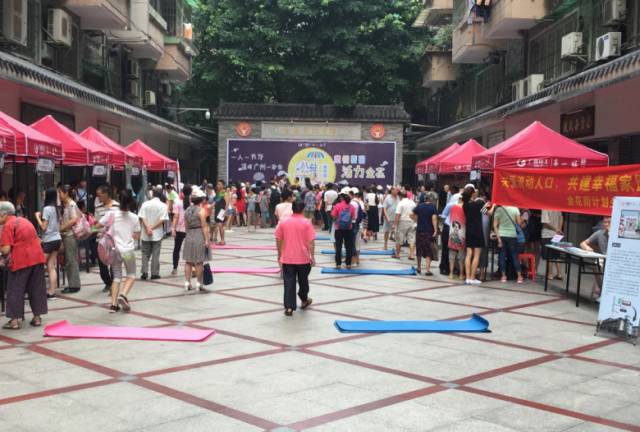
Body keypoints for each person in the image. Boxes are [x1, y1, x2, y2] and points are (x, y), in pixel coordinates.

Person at [0, 201, 47, 329]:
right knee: (36, 288)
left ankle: (14, 321)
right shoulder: (25, 221)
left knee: (15, 289)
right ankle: (37, 318)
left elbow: (5, 250)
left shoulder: (8, 225)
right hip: (37, 257)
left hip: (21, 260)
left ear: (4, 214)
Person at [96, 190, 141, 313]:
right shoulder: (134, 217)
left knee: (116, 276)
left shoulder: (111, 214)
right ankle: (123, 294)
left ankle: (114, 305)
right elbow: (137, 236)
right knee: (131, 275)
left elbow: (98, 225)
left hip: (114, 250)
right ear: (130, 202)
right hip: (127, 251)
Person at [275, 200, 316, 316]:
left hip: (288, 258)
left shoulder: (283, 222)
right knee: (303, 282)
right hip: (303, 258)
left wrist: (279, 254)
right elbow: (311, 242)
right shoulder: (307, 223)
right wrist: (312, 256)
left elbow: (279, 239)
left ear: (292, 209)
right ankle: (304, 299)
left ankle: (289, 307)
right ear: (303, 209)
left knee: (289, 282)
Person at [34, 188, 61, 299]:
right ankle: (52, 291)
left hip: (49, 240)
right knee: (51, 266)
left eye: (44, 195)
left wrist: (37, 217)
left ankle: (38, 291)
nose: (43, 197)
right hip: (57, 239)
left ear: (49, 196)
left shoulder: (46, 209)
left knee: (39, 265)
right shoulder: (56, 208)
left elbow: (43, 227)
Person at [138, 186, 169, 280]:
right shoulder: (163, 206)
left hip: (145, 233)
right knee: (156, 254)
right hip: (157, 233)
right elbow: (162, 219)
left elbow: (142, 217)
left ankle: (144, 272)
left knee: (145, 253)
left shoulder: (145, 204)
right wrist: (152, 227)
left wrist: (148, 227)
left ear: (153, 194)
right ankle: (154, 273)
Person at [182, 186, 210, 292]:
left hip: (189, 235)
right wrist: (207, 240)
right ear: (201, 200)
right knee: (199, 261)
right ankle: (199, 284)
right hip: (199, 235)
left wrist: (188, 234)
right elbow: (204, 226)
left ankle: (187, 283)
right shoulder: (201, 211)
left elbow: (186, 225)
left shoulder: (187, 210)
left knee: (188, 261)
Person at [94, 185, 118, 293]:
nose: (98, 198)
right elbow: (96, 222)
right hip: (101, 239)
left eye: (100, 195)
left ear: (107, 194)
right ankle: (107, 282)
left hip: (113, 239)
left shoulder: (117, 206)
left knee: (113, 263)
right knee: (102, 264)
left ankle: (113, 284)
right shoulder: (98, 207)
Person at [580, 217, 610, 302]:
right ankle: (603, 291)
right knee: (596, 265)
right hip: (603, 258)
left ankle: (605, 293)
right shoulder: (600, 233)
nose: (607, 224)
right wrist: (587, 248)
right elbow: (583, 243)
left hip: (615, 259)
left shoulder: (617, 235)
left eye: (609, 222)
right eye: (605, 222)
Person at [58, 185, 82, 294]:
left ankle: (74, 285)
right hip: (66, 235)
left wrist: (62, 228)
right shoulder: (66, 205)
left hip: (70, 235)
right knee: (69, 260)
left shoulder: (71, 204)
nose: (59, 195)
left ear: (66, 193)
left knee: (71, 260)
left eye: (60, 193)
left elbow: (74, 219)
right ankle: (73, 284)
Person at [493, 205, 524, 284]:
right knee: (514, 256)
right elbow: (519, 223)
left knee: (502, 256)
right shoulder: (515, 209)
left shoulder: (499, 209)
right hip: (512, 235)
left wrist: (498, 238)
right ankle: (519, 276)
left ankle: (503, 276)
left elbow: (495, 225)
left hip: (502, 235)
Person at [462, 185, 485, 284]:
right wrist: (492, 206)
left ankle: (467, 278)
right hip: (477, 231)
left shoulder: (465, 205)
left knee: (468, 254)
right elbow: (488, 212)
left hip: (469, 231)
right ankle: (472, 277)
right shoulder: (478, 204)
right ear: (472, 194)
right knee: (476, 255)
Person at [413, 193, 438, 275]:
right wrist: (435, 230)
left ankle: (419, 267)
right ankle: (427, 270)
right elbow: (434, 219)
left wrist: (416, 221)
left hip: (419, 230)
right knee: (428, 250)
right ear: (432, 199)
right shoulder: (432, 207)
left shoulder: (419, 206)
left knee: (419, 249)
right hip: (428, 231)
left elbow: (412, 214)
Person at [331, 193, 356, 269]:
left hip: (339, 228)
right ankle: (348, 264)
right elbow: (353, 218)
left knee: (338, 246)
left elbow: (333, 215)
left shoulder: (338, 205)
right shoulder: (351, 207)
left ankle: (338, 264)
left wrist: (337, 219)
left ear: (342, 199)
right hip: (348, 229)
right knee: (349, 247)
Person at [171, 185, 190, 276]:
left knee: (177, 249)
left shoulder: (177, 202)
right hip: (190, 229)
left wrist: (173, 229)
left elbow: (175, 217)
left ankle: (175, 268)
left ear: (182, 192)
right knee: (191, 249)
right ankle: (192, 267)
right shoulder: (193, 203)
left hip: (179, 229)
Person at [393, 190, 416, 260]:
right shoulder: (413, 203)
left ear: (400, 196)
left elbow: (398, 214)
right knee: (411, 239)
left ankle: (398, 254)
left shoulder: (401, 203)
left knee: (399, 239)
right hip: (412, 222)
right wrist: (415, 222)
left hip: (402, 222)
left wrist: (395, 225)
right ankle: (411, 255)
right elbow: (415, 214)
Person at [541, 210, 564, 281]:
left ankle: (550, 274)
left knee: (549, 255)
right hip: (557, 234)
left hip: (547, 234)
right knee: (556, 254)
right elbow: (561, 217)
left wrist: (555, 229)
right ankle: (559, 274)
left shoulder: (545, 208)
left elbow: (545, 222)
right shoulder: (556, 206)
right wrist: (559, 229)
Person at [448, 195, 466, 281]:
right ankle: (461, 274)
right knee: (461, 257)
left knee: (452, 256)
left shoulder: (453, 207)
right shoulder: (465, 208)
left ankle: (451, 274)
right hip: (462, 234)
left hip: (451, 234)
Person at [382, 186, 399, 251]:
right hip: (388, 218)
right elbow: (384, 208)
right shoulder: (387, 198)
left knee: (396, 232)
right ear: (392, 190)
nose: (397, 191)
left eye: (397, 190)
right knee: (386, 231)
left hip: (396, 218)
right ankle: (385, 245)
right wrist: (387, 217)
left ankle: (397, 247)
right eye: (395, 190)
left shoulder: (398, 198)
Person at [212, 180, 227, 244]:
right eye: (217, 184)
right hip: (217, 210)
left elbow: (227, 203)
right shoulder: (218, 193)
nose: (218, 185)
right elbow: (215, 202)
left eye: (219, 184)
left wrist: (225, 212)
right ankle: (221, 240)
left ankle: (222, 240)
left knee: (220, 225)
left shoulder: (224, 193)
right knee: (219, 225)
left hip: (222, 210)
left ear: (223, 185)